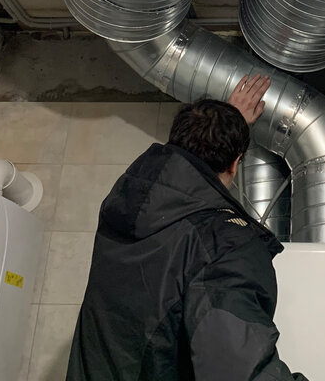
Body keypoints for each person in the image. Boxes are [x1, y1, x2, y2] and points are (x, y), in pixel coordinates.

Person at [66, 73, 308, 381]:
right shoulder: (224, 245)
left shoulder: (126, 202)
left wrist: (221, 123)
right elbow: (239, 370)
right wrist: (227, 127)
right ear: (235, 163)